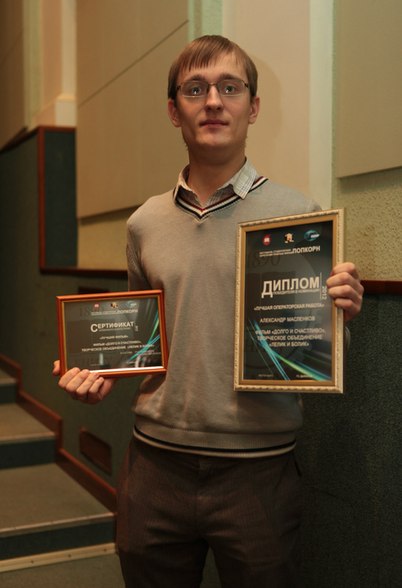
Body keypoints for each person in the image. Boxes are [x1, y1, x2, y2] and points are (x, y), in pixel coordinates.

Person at [54, 35, 363, 587]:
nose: (214, 101)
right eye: (195, 89)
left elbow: (314, 349)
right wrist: (99, 372)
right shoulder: (144, 223)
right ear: (175, 111)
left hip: (259, 474)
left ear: (253, 107)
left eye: (230, 87)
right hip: (154, 469)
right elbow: (142, 341)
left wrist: (342, 312)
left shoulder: (298, 215)